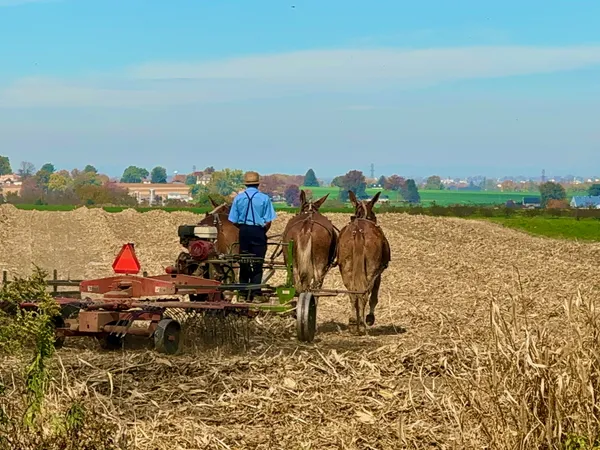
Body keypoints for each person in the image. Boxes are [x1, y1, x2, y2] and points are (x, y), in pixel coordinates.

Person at [228, 171, 277, 301]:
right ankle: (256, 294)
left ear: (246, 184)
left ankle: (243, 294)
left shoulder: (238, 198)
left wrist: (242, 228)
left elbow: (233, 220)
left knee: (244, 262)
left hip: (243, 232)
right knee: (257, 263)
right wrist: (262, 232)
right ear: (257, 184)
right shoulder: (264, 198)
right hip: (258, 231)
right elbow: (268, 220)